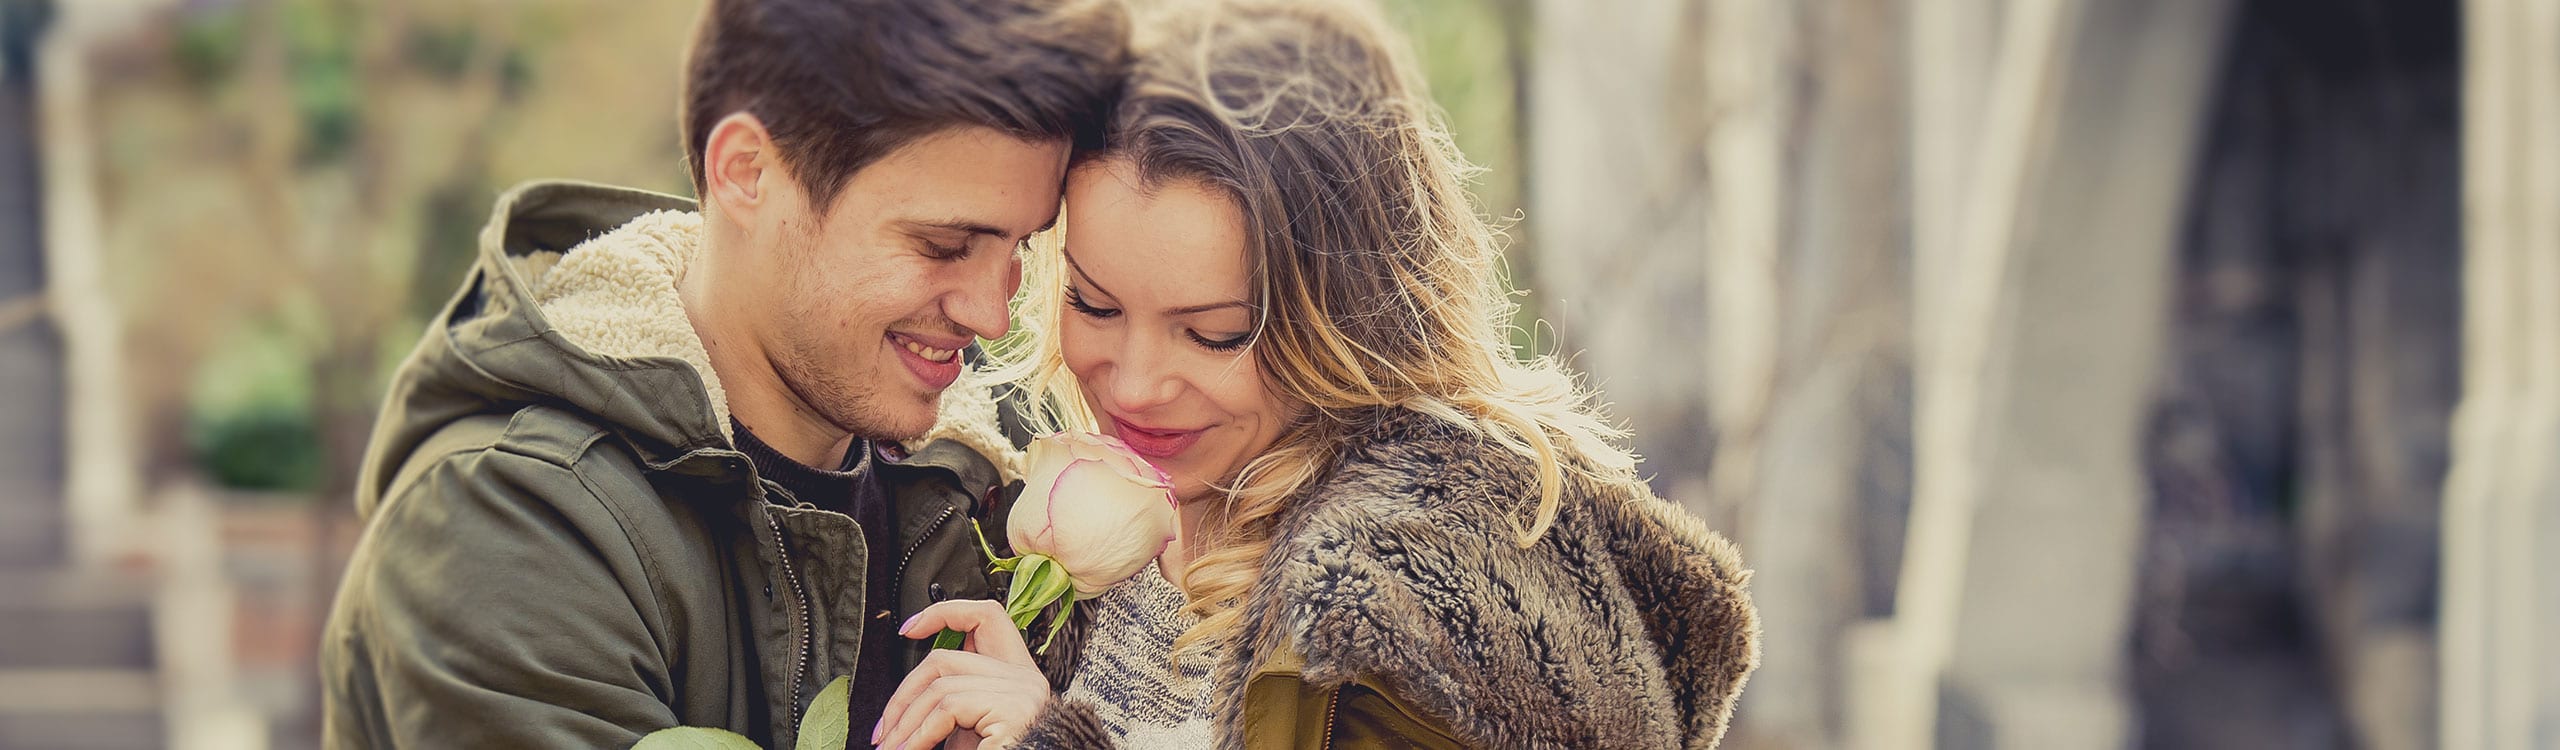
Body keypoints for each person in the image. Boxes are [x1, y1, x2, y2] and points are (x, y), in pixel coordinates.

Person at [872, 0, 1760, 747]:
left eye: (1215, 335)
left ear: (1348, 318)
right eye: (1095, 305)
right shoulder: (1062, 510)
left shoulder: (1429, 589)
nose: (1134, 386)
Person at [317, 1, 1125, 746]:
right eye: (943, 246)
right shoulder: (507, 527)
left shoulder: (982, 502)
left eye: (1020, 249)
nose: (992, 314)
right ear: (747, 171)